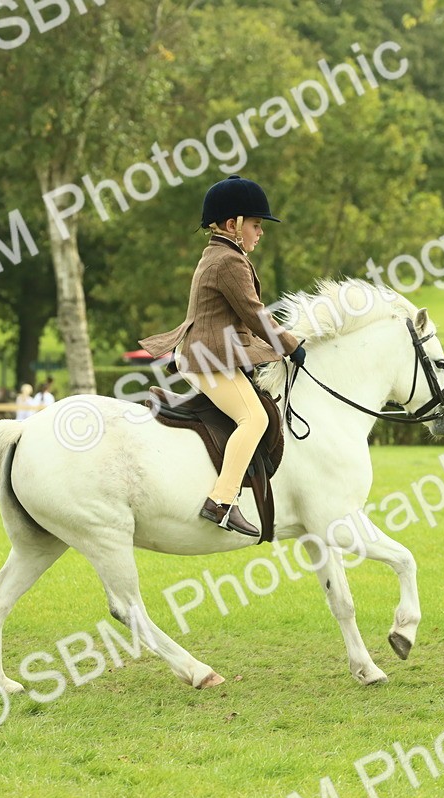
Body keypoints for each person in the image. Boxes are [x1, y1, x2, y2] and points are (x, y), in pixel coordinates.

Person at [138, 175, 305, 538]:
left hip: (209, 353)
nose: (260, 233)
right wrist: (291, 346)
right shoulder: (229, 261)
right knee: (254, 419)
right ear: (233, 225)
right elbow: (254, 313)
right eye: (257, 225)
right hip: (208, 358)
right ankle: (222, 502)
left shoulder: (220, 254)